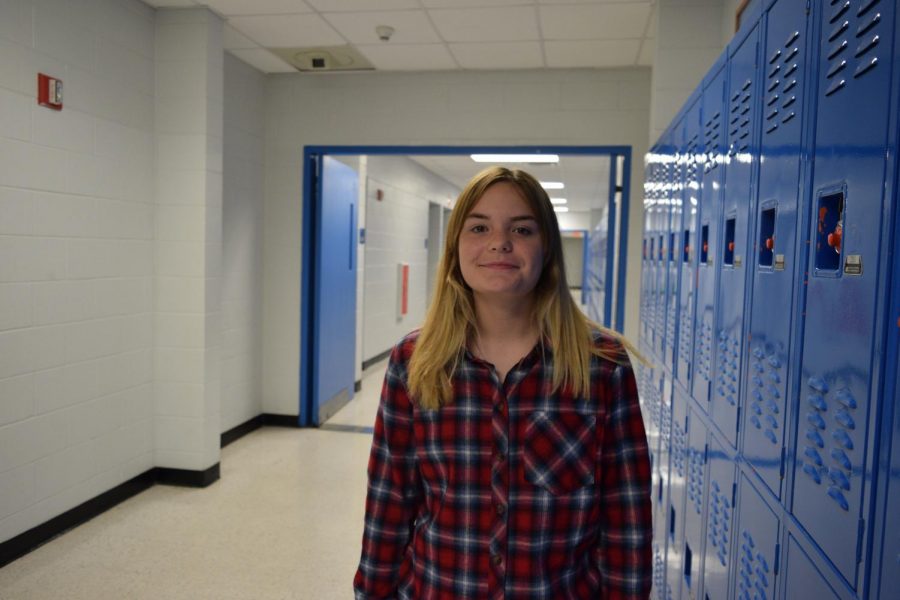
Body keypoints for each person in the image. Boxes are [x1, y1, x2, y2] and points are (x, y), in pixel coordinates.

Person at [353, 166, 652, 599]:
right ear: (455, 247)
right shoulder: (415, 362)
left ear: (546, 247)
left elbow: (627, 521)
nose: (499, 242)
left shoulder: (601, 366)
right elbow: (389, 503)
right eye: (479, 227)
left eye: (522, 229)